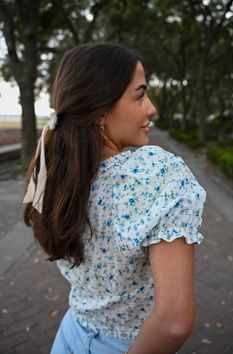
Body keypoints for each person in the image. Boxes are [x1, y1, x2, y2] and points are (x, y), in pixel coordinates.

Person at [23, 43, 207, 354]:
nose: (151, 108)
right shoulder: (157, 174)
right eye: (140, 95)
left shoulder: (59, 175)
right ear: (99, 111)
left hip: (69, 337)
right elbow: (173, 323)